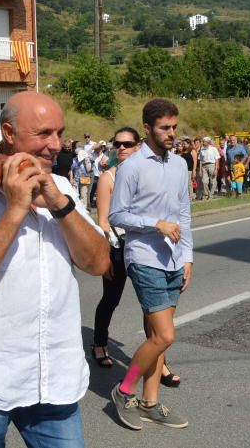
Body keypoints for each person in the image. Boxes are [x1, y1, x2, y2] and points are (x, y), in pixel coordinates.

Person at [0, 92, 110, 448]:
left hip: (55, 378)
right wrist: (16, 209)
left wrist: (59, 205)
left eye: (59, 133)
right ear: (8, 132)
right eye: (44, 134)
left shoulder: (62, 188)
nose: (55, 145)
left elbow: (98, 262)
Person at [109, 98, 193, 431]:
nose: (172, 133)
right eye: (165, 128)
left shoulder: (179, 165)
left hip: (173, 259)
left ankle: (151, 401)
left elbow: (184, 215)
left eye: (174, 127)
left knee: (157, 336)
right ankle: (124, 388)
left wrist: (187, 257)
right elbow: (117, 215)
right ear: (148, 128)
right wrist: (154, 223)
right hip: (144, 256)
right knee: (164, 335)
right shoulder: (131, 167)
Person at [91, 127, 141, 368]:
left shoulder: (148, 173)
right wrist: (106, 254)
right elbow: (102, 221)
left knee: (151, 304)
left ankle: (157, 357)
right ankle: (99, 342)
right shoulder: (108, 177)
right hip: (118, 247)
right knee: (111, 299)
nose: (121, 148)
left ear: (139, 145)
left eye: (127, 144)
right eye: (117, 144)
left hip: (145, 246)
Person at [71, 144, 94, 210]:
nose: (77, 155)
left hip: (85, 178)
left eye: (78, 153)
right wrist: (71, 178)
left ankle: (84, 208)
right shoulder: (74, 160)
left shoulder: (87, 159)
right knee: (75, 194)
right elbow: (72, 169)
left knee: (84, 194)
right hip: (76, 179)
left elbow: (89, 170)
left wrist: (86, 162)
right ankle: (76, 208)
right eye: (76, 154)